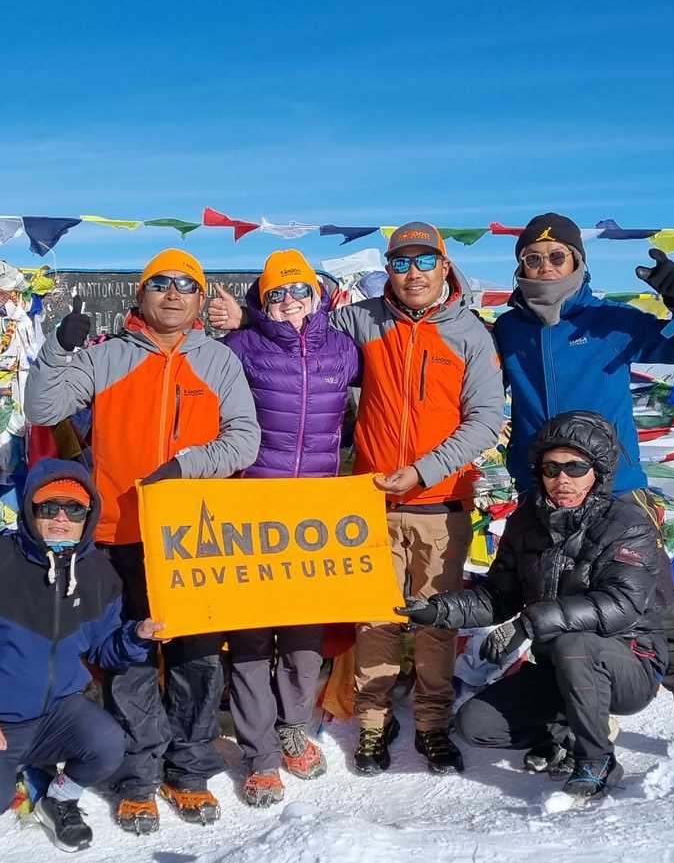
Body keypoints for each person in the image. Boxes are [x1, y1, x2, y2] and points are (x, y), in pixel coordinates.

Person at [210, 222, 503, 775]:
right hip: (368, 503)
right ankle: (372, 721)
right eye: (400, 263)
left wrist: (421, 471)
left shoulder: (470, 333)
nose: (411, 273)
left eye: (423, 262)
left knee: (437, 621)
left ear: (444, 266)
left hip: (441, 501)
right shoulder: (363, 319)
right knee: (375, 620)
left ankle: (433, 721)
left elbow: (486, 419)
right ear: (388, 269)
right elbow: (298, 332)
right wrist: (247, 320)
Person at [491, 213, 674, 759]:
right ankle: (564, 724)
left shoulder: (610, 321)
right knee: (551, 602)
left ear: (577, 262)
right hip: (543, 488)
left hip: (614, 489)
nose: (544, 266)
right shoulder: (508, 330)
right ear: (519, 268)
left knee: (658, 603)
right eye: (532, 258)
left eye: (556, 256)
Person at [25, 248, 260, 832]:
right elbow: (42, 406)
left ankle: (191, 771)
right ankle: (137, 778)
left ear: (201, 299)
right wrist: (58, 350)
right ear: (142, 296)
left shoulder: (220, 362)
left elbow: (245, 440)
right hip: (117, 534)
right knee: (129, 659)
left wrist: (187, 466)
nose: (173, 294)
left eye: (187, 285)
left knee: (197, 660)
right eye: (161, 284)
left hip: (194, 538)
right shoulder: (108, 358)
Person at [0, 460, 164, 861]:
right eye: (48, 507)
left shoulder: (99, 573)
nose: (61, 517)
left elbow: (102, 650)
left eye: (74, 508)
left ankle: (57, 800)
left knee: (109, 745)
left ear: (89, 515)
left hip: (58, 711)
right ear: (30, 510)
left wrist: (136, 637)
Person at [399, 411, 671, 799]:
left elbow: (620, 605)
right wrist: (437, 610)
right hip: (562, 669)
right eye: (551, 467)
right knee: (476, 724)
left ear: (598, 471)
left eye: (576, 467)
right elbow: (499, 595)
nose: (563, 479)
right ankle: (567, 729)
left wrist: (529, 623)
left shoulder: (627, 524)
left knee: (572, 642)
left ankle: (596, 758)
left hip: (629, 662)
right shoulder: (527, 520)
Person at [219, 248, 359, 806]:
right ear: (262, 301)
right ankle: (258, 755)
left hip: (313, 515)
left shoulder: (344, 351)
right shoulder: (240, 348)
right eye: (277, 293)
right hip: (253, 508)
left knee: (303, 639)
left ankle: (293, 728)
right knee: (252, 640)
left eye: (299, 291)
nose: (290, 302)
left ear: (318, 295)